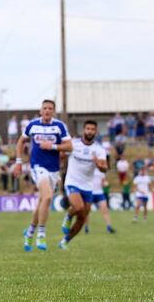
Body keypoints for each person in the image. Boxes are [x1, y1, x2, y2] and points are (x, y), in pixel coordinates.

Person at [14, 100, 73, 252]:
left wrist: (53, 146)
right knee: (47, 198)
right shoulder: (33, 125)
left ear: (54, 111)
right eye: (44, 108)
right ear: (41, 111)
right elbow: (20, 142)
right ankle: (41, 233)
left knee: (42, 202)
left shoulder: (59, 126)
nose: (47, 111)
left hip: (53, 169)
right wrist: (19, 162)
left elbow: (70, 146)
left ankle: (30, 232)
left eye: (50, 108)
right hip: (37, 167)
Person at [58, 120, 107, 250]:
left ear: (95, 132)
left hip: (88, 186)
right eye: (88, 129)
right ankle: (68, 216)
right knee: (78, 207)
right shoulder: (73, 144)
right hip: (72, 181)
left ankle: (65, 240)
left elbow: (104, 168)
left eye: (92, 129)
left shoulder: (99, 149)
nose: (90, 131)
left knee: (82, 216)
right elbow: (62, 153)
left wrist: (98, 164)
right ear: (84, 130)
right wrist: (61, 157)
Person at [86, 168, 116, 234]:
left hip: (99, 193)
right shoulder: (88, 169)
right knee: (87, 212)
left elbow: (103, 182)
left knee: (105, 210)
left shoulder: (101, 172)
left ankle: (109, 227)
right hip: (90, 193)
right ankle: (86, 227)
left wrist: (105, 184)